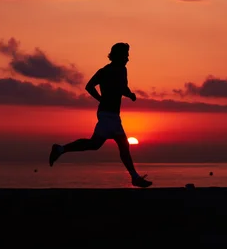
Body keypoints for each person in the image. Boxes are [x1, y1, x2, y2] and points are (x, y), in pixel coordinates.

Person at [48, 42, 152, 188]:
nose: (128, 58)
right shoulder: (120, 70)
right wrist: (130, 95)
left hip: (108, 113)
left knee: (97, 144)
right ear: (119, 56)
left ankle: (60, 149)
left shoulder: (104, 71)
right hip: (109, 115)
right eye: (126, 55)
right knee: (120, 145)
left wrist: (103, 99)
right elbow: (121, 87)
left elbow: (90, 86)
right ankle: (134, 177)